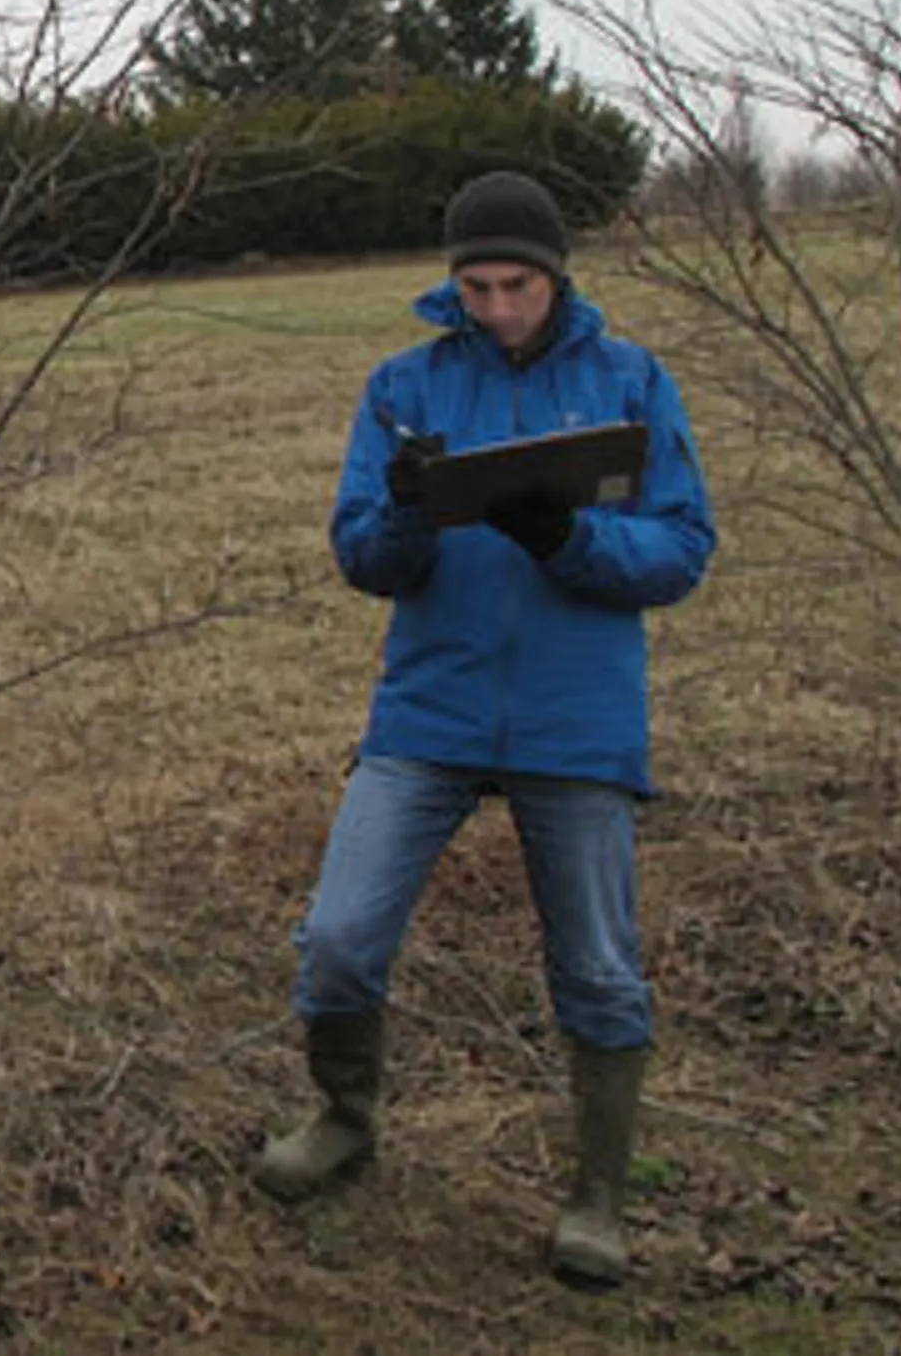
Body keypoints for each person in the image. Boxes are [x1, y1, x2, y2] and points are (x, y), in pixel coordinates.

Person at [250, 170, 715, 1288]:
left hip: (578, 718)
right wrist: (409, 515)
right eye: (476, 285)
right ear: (450, 283)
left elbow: (684, 549)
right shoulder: (404, 387)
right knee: (340, 938)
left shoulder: (629, 382)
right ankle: (345, 1121)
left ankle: (599, 1193)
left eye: (517, 284)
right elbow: (359, 553)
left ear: (556, 277)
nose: (498, 307)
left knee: (599, 968)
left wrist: (570, 543)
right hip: (431, 708)